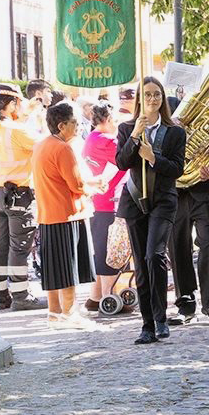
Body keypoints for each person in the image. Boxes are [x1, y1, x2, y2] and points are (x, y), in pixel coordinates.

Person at [116, 77, 187, 345]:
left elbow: (177, 169)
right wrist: (135, 135)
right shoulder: (126, 128)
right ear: (139, 99)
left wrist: (154, 158)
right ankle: (146, 324)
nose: (153, 99)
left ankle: (160, 317)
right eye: (147, 94)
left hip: (163, 200)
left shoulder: (175, 132)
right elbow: (122, 163)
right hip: (135, 200)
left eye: (157, 94)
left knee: (154, 255)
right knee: (141, 262)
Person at [32, 103, 104, 329]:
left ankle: (54, 313)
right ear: (62, 126)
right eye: (75, 122)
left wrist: (89, 184)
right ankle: (69, 313)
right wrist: (92, 187)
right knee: (69, 268)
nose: (79, 126)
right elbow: (76, 184)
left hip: (48, 214)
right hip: (67, 213)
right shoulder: (63, 148)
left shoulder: (42, 145)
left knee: (54, 269)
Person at [0, 86, 48, 311]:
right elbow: (46, 145)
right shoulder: (16, 130)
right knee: (19, 247)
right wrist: (39, 120)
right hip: (19, 195)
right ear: (11, 105)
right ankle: (21, 296)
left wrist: (26, 113)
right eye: (19, 103)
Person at [167, 122, 209, 325]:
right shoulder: (164, 115)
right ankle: (185, 305)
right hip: (176, 192)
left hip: (208, 192)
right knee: (178, 247)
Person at [82, 103, 128, 312]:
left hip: (99, 201)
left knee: (101, 248)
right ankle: (109, 293)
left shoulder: (92, 138)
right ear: (108, 119)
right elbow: (127, 156)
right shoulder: (107, 141)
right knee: (110, 249)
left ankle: (96, 295)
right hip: (108, 201)